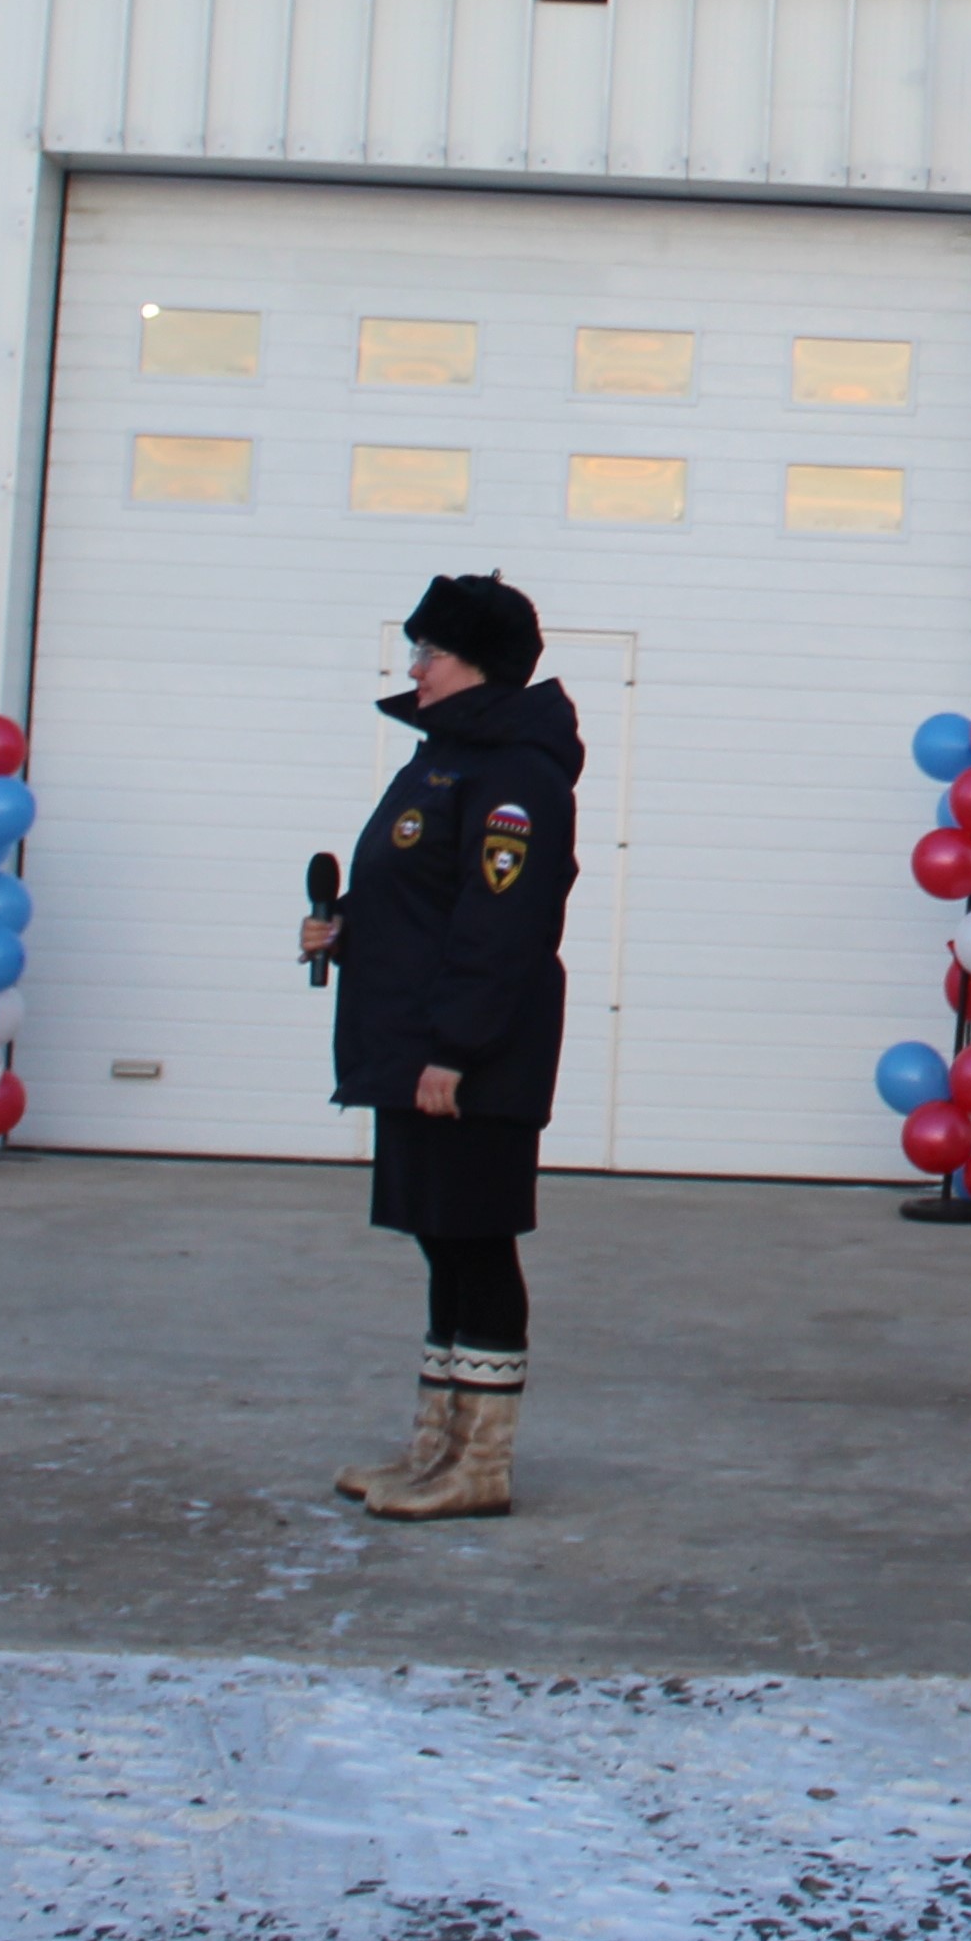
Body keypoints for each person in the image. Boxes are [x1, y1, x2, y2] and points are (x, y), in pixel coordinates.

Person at [297, 573, 586, 1519]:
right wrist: (346, 928)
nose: (414, 666)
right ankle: (435, 1449)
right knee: (441, 1245)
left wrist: (456, 1049)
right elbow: (423, 896)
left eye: (431, 651)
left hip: (466, 1059)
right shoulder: (445, 758)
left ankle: (480, 1466)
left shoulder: (515, 772)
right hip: (412, 1045)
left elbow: (503, 921)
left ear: (482, 666)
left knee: (476, 1242)